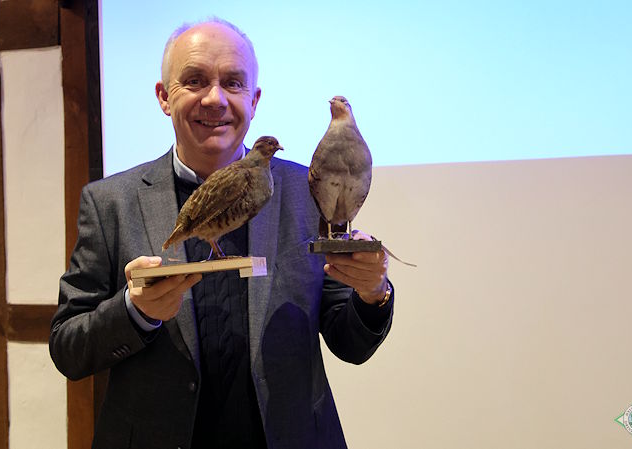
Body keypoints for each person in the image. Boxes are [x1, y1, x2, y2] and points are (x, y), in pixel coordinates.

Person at [49, 18, 395, 449]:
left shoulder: (305, 190)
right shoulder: (110, 203)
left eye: (233, 83)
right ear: (163, 96)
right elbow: (68, 347)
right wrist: (134, 311)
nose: (214, 99)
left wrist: (372, 294)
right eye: (194, 81)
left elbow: (351, 341)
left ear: (254, 100)